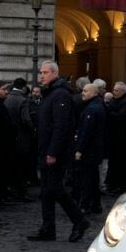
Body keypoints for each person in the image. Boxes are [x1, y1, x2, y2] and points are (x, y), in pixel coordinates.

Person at [27, 60, 89, 242]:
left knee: (55, 188)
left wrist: (52, 152)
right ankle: (48, 228)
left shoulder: (60, 94)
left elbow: (61, 127)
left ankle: (79, 220)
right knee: (46, 190)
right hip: (46, 149)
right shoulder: (51, 93)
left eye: (45, 72)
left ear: (54, 73)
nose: (41, 75)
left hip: (55, 152)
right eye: (41, 72)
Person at [74, 83, 105, 215]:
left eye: (86, 91)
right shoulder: (98, 106)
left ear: (93, 93)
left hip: (89, 151)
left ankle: (85, 205)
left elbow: (87, 132)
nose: (83, 93)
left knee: (87, 179)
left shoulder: (91, 109)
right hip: (95, 150)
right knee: (93, 178)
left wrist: (79, 150)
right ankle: (95, 204)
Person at [105, 82, 126, 194]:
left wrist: (109, 112)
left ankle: (121, 185)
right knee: (114, 163)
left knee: (122, 164)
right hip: (114, 139)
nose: (114, 92)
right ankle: (112, 184)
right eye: (114, 90)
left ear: (123, 91)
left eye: (116, 90)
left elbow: (121, 117)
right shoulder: (114, 101)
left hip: (124, 141)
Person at [4, 78, 34, 201]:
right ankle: (21, 192)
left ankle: (11, 189)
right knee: (22, 165)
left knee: (12, 164)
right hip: (22, 137)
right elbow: (26, 119)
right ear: (23, 87)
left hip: (9, 136)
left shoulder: (7, 98)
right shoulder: (23, 100)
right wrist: (33, 129)